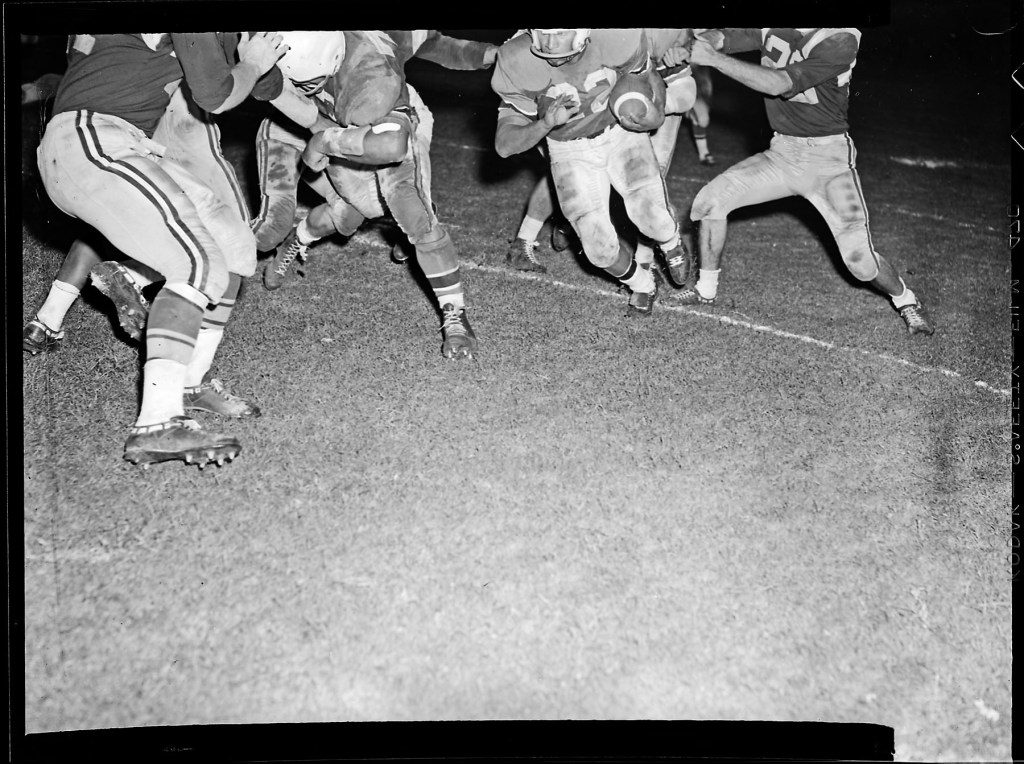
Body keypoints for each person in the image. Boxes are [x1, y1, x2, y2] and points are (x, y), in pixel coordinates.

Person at [35, 32, 289, 468]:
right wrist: (251, 62)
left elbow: (268, 86)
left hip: (128, 141)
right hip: (91, 136)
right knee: (198, 262)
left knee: (234, 248)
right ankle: (157, 422)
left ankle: (189, 383)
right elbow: (216, 93)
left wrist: (261, 58)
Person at [260, 30, 498, 360]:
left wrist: (483, 54)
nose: (301, 86)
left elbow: (390, 145)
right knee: (348, 214)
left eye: (308, 82)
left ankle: (455, 316)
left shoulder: (373, 76)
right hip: (326, 122)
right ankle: (297, 239)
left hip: (390, 122)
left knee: (410, 208)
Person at [682, 28, 934, 336]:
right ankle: (705, 290)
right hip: (783, 152)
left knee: (860, 262)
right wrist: (698, 43)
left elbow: (780, 84)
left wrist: (713, 59)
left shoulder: (841, 38)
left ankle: (906, 299)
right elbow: (726, 36)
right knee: (710, 202)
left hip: (827, 161)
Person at [491, 28, 694, 317]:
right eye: (543, 33)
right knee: (598, 249)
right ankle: (643, 284)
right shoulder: (517, 58)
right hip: (569, 149)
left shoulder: (615, 35)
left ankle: (672, 244)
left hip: (620, 132)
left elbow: (648, 75)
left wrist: (656, 113)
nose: (550, 44)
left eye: (559, 34)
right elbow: (504, 145)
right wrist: (545, 124)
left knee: (653, 218)